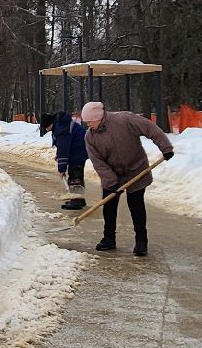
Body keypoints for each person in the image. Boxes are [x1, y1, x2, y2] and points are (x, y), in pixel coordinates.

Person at [80, 100, 173, 257]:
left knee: (136, 205)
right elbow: (98, 163)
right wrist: (112, 182)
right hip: (111, 173)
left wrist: (166, 148)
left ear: (99, 117)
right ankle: (109, 239)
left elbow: (151, 129)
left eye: (90, 121)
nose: (89, 125)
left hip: (136, 170)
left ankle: (141, 242)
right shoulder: (90, 137)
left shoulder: (124, 120)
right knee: (109, 208)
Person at [38, 111, 88, 209]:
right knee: (77, 174)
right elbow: (63, 146)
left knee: (74, 176)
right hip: (79, 149)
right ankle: (79, 199)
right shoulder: (61, 124)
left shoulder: (60, 128)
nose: (47, 130)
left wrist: (61, 168)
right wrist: (58, 155)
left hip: (77, 151)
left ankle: (76, 202)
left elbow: (64, 148)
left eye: (46, 127)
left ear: (50, 124)